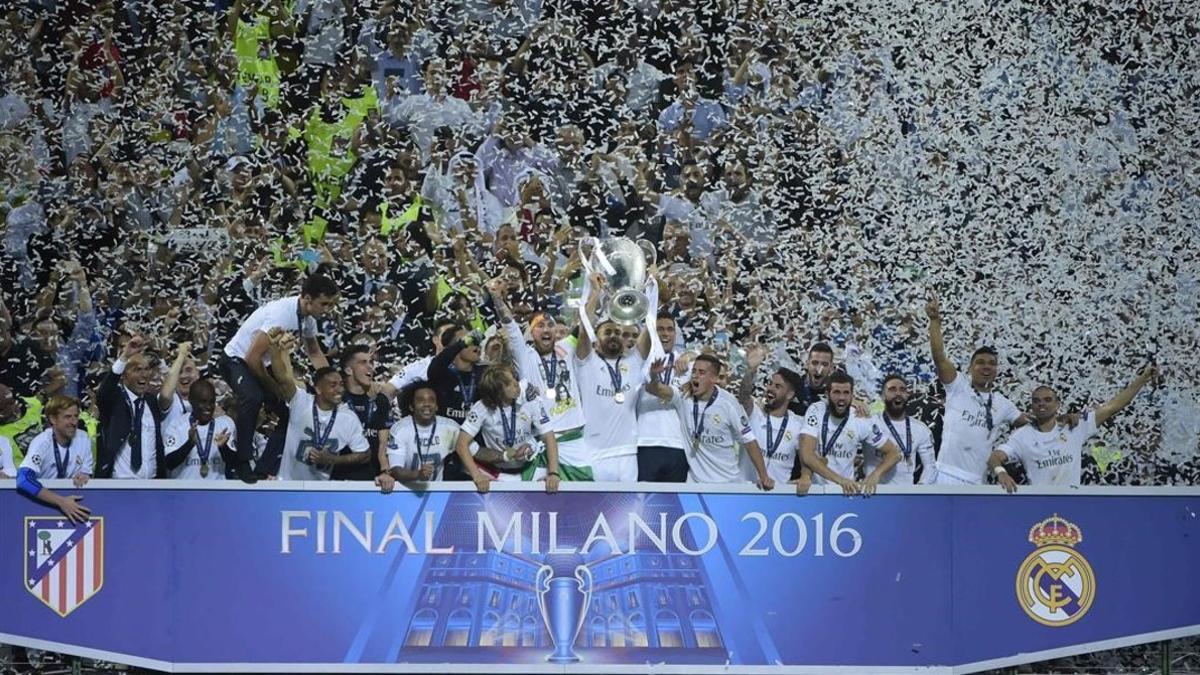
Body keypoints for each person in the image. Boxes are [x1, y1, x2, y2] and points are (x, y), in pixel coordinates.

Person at [221, 272, 340, 481]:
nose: (328, 310)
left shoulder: (307, 318)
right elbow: (251, 358)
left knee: (289, 412)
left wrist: (331, 381)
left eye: (330, 304)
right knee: (253, 397)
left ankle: (264, 467)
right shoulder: (282, 314)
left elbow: (314, 353)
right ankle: (242, 461)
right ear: (307, 299)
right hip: (235, 360)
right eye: (325, 304)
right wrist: (272, 388)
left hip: (259, 364)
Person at [988, 365, 1160, 491]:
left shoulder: (1074, 426)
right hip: (1039, 501)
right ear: (1031, 405)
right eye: (1036, 401)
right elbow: (995, 457)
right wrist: (1001, 472)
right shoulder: (1022, 437)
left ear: (1058, 404)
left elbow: (1112, 407)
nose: (1041, 404)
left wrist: (1142, 379)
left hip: (1073, 501)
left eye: (1047, 400)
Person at [488, 280, 591, 479]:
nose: (546, 330)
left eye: (550, 326)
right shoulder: (525, 356)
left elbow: (586, 323)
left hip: (575, 442)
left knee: (582, 500)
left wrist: (594, 291)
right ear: (531, 333)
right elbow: (510, 327)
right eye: (539, 326)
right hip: (542, 440)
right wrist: (497, 299)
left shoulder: (567, 347)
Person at [925, 293, 1026, 485]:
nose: (986, 367)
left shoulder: (1004, 405)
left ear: (996, 370)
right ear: (971, 368)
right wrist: (935, 321)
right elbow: (939, 356)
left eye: (991, 363)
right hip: (944, 474)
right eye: (980, 363)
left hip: (977, 481)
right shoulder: (958, 387)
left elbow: (1032, 425)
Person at [645, 354, 774, 488]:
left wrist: (764, 476)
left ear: (714, 378)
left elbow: (749, 441)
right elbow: (654, 389)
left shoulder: (728, 403)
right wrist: (654, 376)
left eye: (701, 373)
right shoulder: (684, 395)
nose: (695, 376)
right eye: (694, 371)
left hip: (727, 483)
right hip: (695, 482)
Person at [573, 272, 653, 481]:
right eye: (607, 332)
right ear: (595, 340)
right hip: (594, 452)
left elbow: (650, 330)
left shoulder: (632, 362)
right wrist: (595, 293)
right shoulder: (587, 362)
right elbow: (584, 329)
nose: (614, 335)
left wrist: (651, 292)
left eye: (618, 332)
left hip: (627, 452)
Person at [266, 330, 370, 481]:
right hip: (287, 485)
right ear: (318, 389)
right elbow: (283, 378)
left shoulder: (348, 417)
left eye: (341, 384)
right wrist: (274, 348)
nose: (340, 389)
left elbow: (365, 454)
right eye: (333, 385)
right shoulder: (301, 402)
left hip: (320, 491)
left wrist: (333, 460)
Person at [455, 365, 561, 493]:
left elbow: (548, 436)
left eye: (514, 379)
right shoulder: (481, 408)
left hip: (532, 467)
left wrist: (554, 473)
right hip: (499, 473)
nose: (516, 384)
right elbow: (461, 444)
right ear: (498, 391)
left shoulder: (529, 399)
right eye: (509, 383)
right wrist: (477, 475)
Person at [797, 372, 901, 495]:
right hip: (816, 491)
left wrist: (875, 475)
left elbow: (894, 454)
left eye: (846, 393)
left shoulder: (861, 419)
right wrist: (839, 480)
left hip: (845, 492)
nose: (841, 398)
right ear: (827, 394)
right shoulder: (816, 410)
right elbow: (807, 455)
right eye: (836, 392)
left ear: (852, 395)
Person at [96, 336, 166, 479]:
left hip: (152, 483)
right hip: (119, 484)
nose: (144, 375)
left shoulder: (152, 402)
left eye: (146, 369)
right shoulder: (115, 398)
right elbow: (104, 392)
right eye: (137, 370)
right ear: (124, 375)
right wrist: (125, 356)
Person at [738, 345, 808, 486]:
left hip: (778, 497)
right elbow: (744, 395)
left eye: (777, 386)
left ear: (790, 394)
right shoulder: (754, 412)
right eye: (770, 383)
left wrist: (805, 476)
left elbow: (807, 458)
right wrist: (751, 370)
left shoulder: (798, 424)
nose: (770, 388)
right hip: (745, 491)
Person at [15, 394, 92, 523]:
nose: (73, 422)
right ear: (53, 419)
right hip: (40, 506)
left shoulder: (84, 438)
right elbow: (24, 480)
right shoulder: (42, 443)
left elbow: (86, 472)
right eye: (67, 417)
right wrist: (61, 502)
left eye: (76, 416)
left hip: (72, 505)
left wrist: (84, 476)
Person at [637, 312, 693, 482]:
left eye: (670, 329)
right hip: (645, 441)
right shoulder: (641, 360)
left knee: (675, 503)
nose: (665, 333)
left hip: (678, 444)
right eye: (660, 329)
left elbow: (710, 357)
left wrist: (692, 353)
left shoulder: (687, 365)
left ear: (676, 335)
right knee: (643, 502)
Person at [379, 382, 462, 491]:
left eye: (431, 400)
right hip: (406, 490)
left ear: (437, 406)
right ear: (411, 406)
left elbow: (473, 452)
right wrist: (417, 474)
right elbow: (396, 470)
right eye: (420, 400)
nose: (427, 404)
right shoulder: (400, 429)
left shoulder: (449, 428)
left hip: (437, 492)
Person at [869, 374, 937, 485]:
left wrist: (920, 488)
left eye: (902, 390)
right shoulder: (870, 423)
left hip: (906, 496)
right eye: (892, 389)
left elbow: (930, 467)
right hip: (874, 494)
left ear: (907, 395)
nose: (898, 393)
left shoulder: (921, 429)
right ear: (882, 396)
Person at [163, 378, 236, 480]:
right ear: (191, 401)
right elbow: (169, 463)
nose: (208, 407)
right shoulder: (177, 425)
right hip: (185, 491)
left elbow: (234, 463)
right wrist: (189, 444)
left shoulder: (225, 424)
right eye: (203, 402)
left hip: (216, 491)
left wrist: (223, 447)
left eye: (212, 402)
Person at [337, 345, 392, 481]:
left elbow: (383, 443)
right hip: (338, 477)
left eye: (371, 362)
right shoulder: (337, 401)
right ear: (348, 370)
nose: (370, 367)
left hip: (372, 480)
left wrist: (385, 471)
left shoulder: (380, 400)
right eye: (363, 362)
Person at [789, 342, 835, 415]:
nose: (819, 369)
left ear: (831, 368)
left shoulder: (834, 395)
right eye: (815, 363)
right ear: (807, 364)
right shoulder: (792, 386)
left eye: (824, 364)